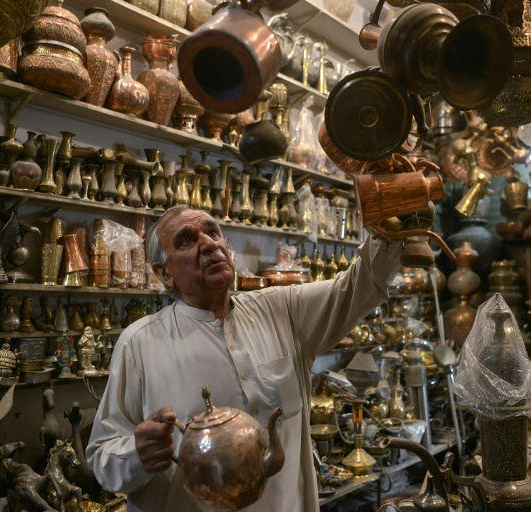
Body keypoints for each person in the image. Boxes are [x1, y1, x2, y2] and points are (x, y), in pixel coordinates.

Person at [86, 205, 402, 512]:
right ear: (163, 273)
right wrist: (136, 454)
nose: (209, 244)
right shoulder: (140, 343)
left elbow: (358, 286)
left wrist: (391, 231)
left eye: (213, 233)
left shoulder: (282, 310)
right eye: (187, 240)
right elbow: (103, 458)